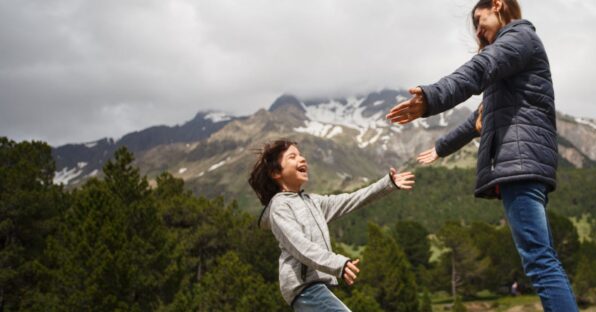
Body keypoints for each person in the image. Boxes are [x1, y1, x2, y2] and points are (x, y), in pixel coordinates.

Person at [386, 0, 578, 310]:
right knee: (540, 257)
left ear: (498, 5)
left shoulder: (518, 38)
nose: (478, 30)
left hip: (519, 163)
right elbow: (478, 120)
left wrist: (433, 96)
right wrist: (440, 147)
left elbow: (478, 69)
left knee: (539, 261)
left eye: (480, 19)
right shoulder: (512, 62)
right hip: (524, 163)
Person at [248, 139, 415, 311]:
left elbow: (351, 199)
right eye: (293, 157)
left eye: (301, 155)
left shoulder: (313, 202)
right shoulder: (280, 207)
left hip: (316, 286)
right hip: (304, 287)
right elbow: (300, 246)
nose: (302, 159)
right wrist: (338, 264)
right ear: (276, 172)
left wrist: (388, 184)